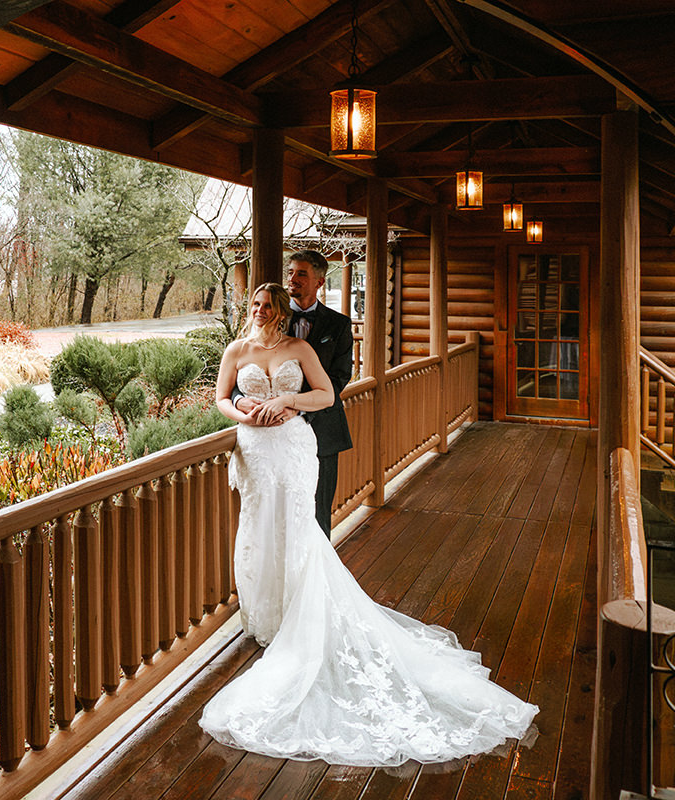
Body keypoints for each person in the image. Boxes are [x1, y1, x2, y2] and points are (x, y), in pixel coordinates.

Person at [202, 283, 538, 767]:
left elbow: (326, 393)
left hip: (294, 448)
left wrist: (289, 404)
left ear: (280, 313)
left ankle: (302, 612)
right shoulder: (237, 349)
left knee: (297, 529)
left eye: (267, 306)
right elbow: (220, 400)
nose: (259, 312)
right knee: (258, 528)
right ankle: (265, 616)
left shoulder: (299, 348)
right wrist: (246, 414)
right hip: (255, 448)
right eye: (254, 305)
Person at [235, 250, 353, 535]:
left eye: (301, 274)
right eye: (290, 272)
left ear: (319, 282)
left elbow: (338, 379)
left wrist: (296, 407)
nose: (292, 279)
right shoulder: (269, 316)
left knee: (317, 514)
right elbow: (244, 370)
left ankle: (315, 577)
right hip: (269, 436)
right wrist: (240, 401)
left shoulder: (338, 325)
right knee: (270, 518)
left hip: (321, 429)